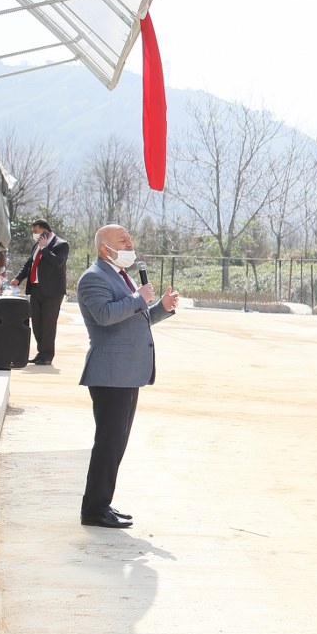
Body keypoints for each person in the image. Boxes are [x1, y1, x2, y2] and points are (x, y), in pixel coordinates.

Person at [77, 224, 180, 528]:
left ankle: (102, 504)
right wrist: (138, 298)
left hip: (127, 373)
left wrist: (160, 308)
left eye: (130, 240)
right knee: (108, 444)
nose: (129, 244)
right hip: (110, 373)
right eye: (122, 241)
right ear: (104, 248)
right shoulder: (93, 277)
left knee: (116, 444)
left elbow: (136, 319)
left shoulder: (123, 276)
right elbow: (105, 316)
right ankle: (94, 510)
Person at [24, 218, 70, 365]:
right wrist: (18, 278)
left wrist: (44, 249)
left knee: (48, 324)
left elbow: (58, 262)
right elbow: (30, 263)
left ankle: (47, 356)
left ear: (45, 230)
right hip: (36, 289)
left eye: (36, 231)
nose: (34, 234)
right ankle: (41, 352)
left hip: (53, 292)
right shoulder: (36, 245)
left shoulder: (61, 245)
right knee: (37, 324)